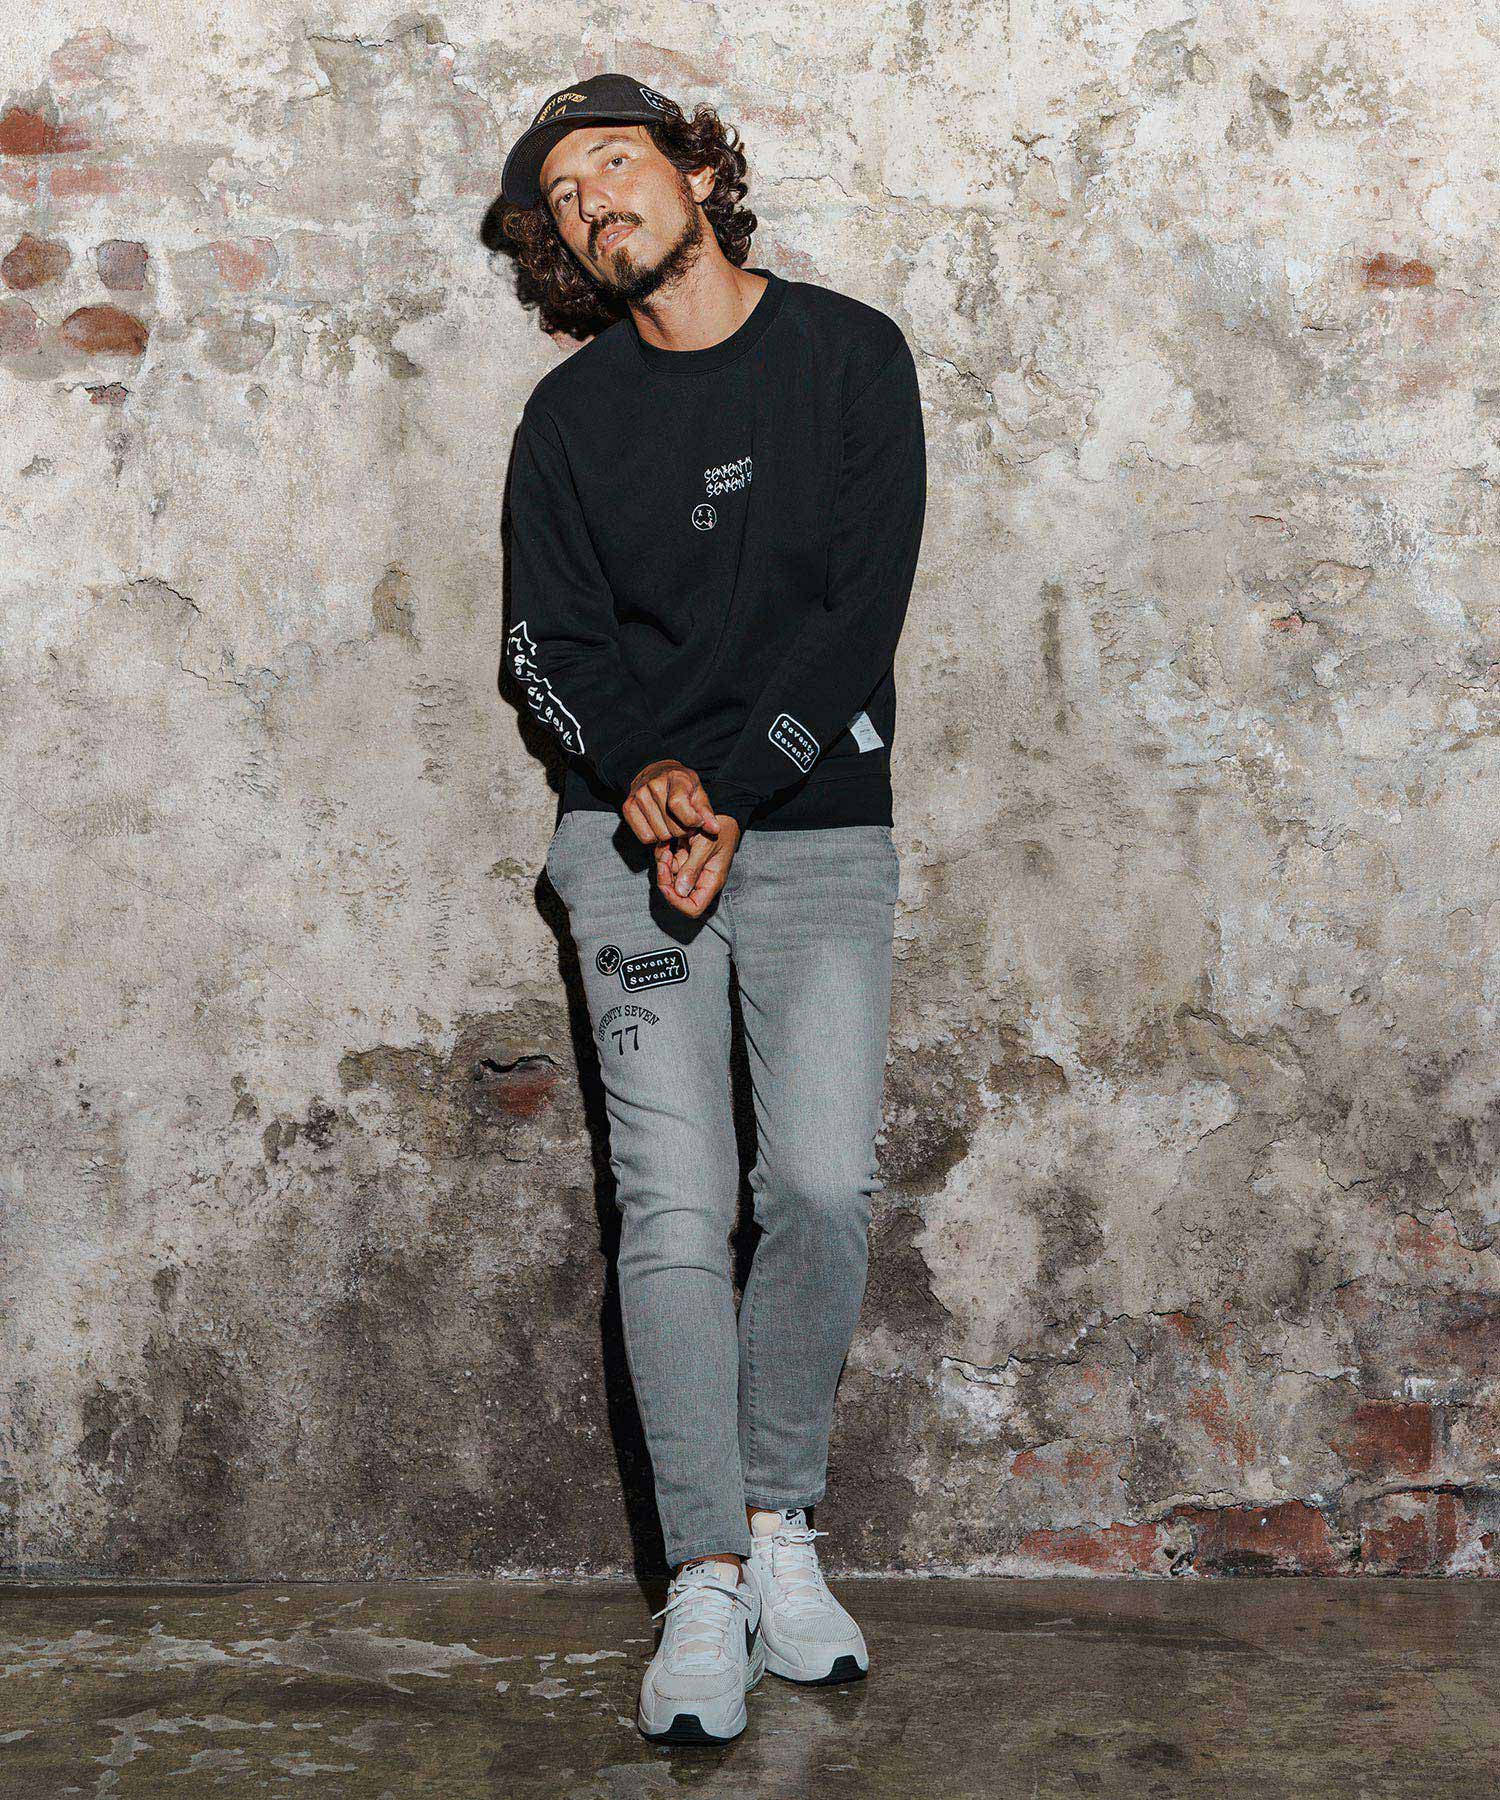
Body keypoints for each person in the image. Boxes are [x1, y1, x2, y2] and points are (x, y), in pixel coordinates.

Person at [497, 72, 927, 1747]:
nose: (595, 198)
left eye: (616, 160)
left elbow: (860, 609)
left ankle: (779, 1524)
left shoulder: (848, 357)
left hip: (815, 832)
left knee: (816, 1184)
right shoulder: (570, 422)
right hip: (632, 848)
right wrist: (644, 779)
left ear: (693, 169)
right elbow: (547, 651)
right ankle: (704, 1575)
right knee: (673, 1207)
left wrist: (739, 785)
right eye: (564, 193)